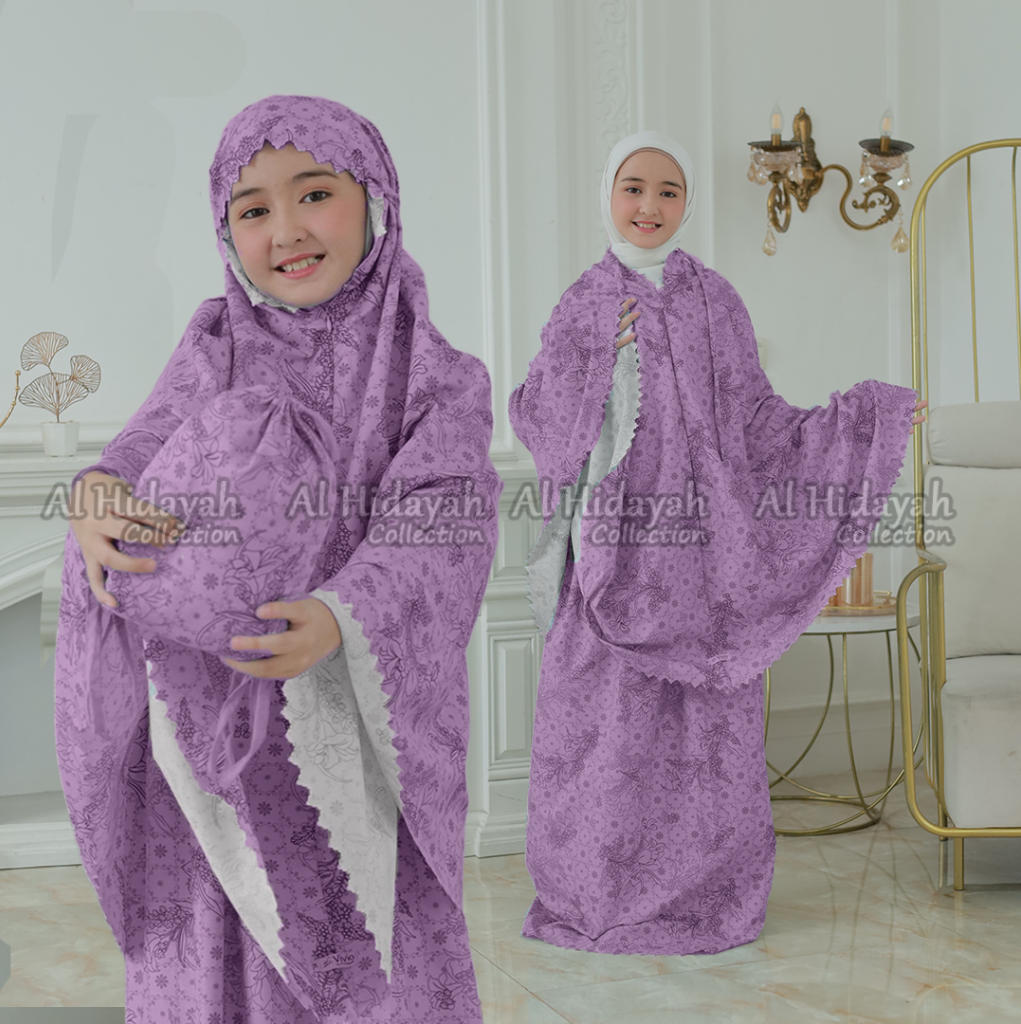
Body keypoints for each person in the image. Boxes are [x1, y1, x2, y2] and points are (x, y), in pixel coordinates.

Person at [56, 94, 501, 1022]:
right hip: (212, 728)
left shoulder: (437, 378)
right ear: (226, 232)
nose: (287, 230)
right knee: (225, 926)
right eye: (253, 209)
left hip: (355, 722)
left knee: (360, 928)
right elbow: (140, 454)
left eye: (316, 194)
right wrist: (97, 498)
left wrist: (342, 614)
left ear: (375, 197)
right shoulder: (214, 346)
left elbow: (444, 517)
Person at [508, 130, 926, 955]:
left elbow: (757, 423)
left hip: (706, 561)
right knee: (603, 728)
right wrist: (593, 360)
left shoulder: (716, 300)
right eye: (634, 188)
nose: (649, 206)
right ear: (608, 195)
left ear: (687, 201)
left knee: (701, 729)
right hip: (610, 557)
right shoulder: (585, 303)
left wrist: (863, 421)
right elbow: (536, 415)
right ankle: (598, 891)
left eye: (668, 191)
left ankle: (702, 891)